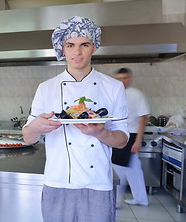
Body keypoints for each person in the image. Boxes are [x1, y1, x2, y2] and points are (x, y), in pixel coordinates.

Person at [22, 16, 129, 222]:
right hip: (57, 182)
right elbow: (28, 138)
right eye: (70, 45)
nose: (77, 52)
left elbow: (122, 140)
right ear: (62, 49)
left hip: (97, 184)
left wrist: (100, 132)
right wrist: (35, 127)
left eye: (84, 44)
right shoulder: (46, 89)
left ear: (94, 47)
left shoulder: (114, 87)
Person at [112, 68, 149, 207]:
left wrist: (138, 140)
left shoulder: (136, 94)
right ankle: (141, 199)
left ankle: (114, 201)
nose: (121, 81)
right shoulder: (115, 94)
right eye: (118, 78)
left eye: (124, 78)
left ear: (130, 79)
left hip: (131, 135)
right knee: (133, 169)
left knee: (118, 168)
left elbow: (143, 118)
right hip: (119, 134)